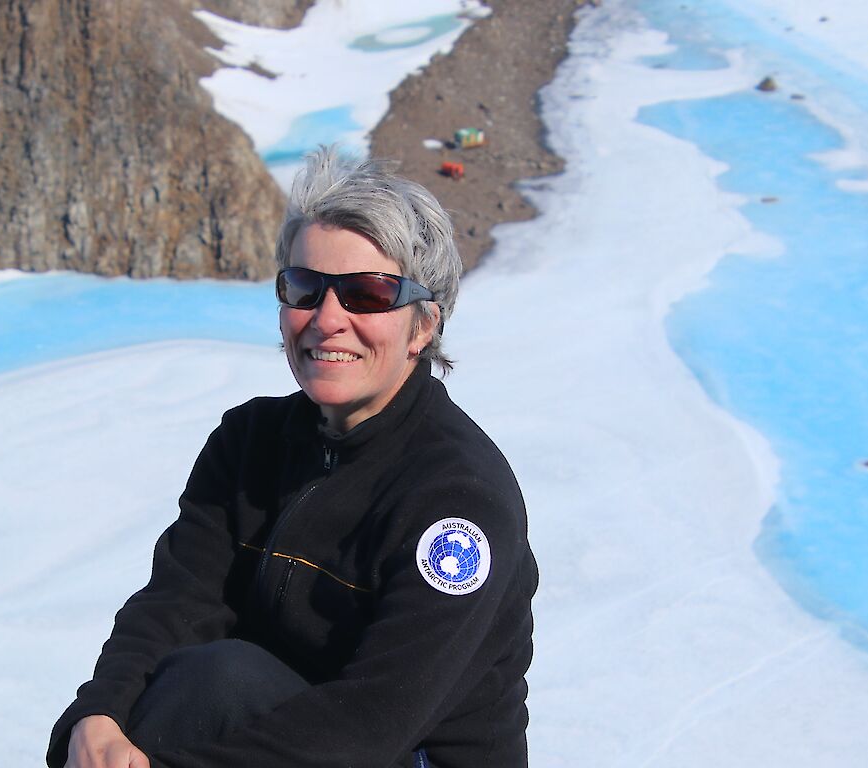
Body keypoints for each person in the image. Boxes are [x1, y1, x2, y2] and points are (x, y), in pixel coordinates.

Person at [47, 149, 537, 767]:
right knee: (208, 679)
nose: (328, 320)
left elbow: (373, 719)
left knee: (221, 678)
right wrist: (99, 715)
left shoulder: (458, 501)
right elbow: (176, 604)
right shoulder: (249, 443)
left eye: (367, 295)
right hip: (277, 731)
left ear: (422, 327)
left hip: (398, 754)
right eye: (306, 289)